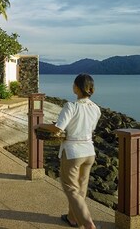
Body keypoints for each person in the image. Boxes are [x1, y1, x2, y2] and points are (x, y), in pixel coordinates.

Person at [39, 73, 101, 229]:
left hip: (73, 152)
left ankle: (88, 224)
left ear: (77, 88)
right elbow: (87, 128)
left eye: (74, 84)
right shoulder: (96, 108)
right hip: (89, 151)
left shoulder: (71, 106)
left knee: (71, 189)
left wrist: (40, 125)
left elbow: (58, 128)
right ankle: (73, 218)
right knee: (81, 187)